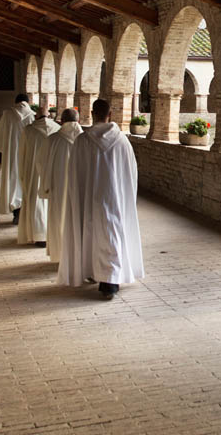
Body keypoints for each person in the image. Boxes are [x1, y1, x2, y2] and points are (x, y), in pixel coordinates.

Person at [58, 99, 144, 300]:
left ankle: (98, 274)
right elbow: (131, 173)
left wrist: (77, 195)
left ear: (92, 113)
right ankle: (109, 281)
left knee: (91, 233)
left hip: (90, 197)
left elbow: (74, 173)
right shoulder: (122, 141)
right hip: (114, 198)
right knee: (112, 234)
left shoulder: (82, 141)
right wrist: (127, 196)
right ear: (110, 114)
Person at [37, 108, 82, 263]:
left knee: (59, 219)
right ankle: (78, 256)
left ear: (61, 121)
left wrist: (45, 186)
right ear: (79, 121)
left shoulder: (52, 140)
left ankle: (61, 256)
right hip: (81, 190)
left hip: (58, 188)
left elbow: (42, 164)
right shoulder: (86, 139)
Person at [17, 109, 60, 246]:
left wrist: (22, 173)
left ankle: (37, 234)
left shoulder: (29, 130)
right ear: (48, 116)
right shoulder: (57, 129)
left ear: (36, 116)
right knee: (50, 202)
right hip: (52, 171)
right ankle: (50, 234)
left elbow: (22, 154)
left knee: (34, 200)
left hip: (33, 170)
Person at [0, 93, 34, 224]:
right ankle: (24, 213)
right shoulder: (33, 116)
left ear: (15, 102)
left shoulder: (7, 115)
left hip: (10, 155)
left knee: (13, 182)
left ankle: (16, 213)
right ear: (28, 102)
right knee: (26, 182)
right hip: (28, 156)